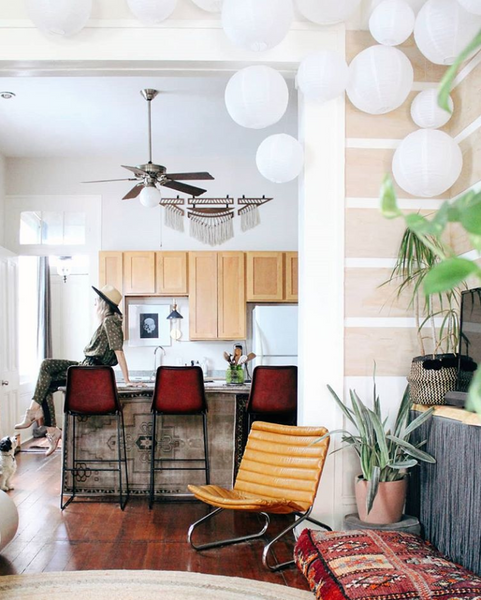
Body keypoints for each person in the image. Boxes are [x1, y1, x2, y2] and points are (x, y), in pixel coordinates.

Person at [15, 284, 141, 457]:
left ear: (104, 304)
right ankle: (50, 429)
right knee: (47, 381)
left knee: (46, 365)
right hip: (87, 367)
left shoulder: (109, 321)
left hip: (88, 371)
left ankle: (36, 416)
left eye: (97, 301)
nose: (94, 304)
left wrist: (127, 379)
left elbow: (119, 351)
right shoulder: (109, 321)